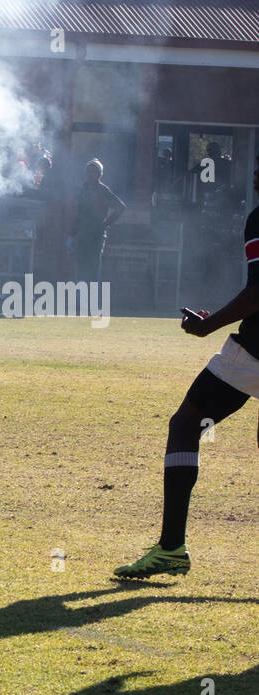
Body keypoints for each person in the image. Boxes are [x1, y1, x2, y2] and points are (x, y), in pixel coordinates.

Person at [114, 158, 259, 579]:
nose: (254, 170)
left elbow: (258, 293)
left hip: (254, 353)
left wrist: (207, 325)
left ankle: (172, 547)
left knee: (187, 422)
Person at [69, 158, 125, 283]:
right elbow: (79, 214)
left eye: (93, 172)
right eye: (88, 172)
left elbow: (120, 207)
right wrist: (72, 235)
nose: (90, 175)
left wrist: (105, 224)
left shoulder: (103, 190)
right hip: (82, 233)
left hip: (96, 234)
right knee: (81, 266)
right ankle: (80, 299)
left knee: (93, 268)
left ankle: (92, 299)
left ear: (100, 174)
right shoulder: (83, 189)